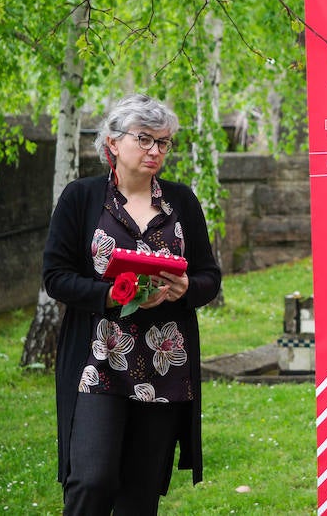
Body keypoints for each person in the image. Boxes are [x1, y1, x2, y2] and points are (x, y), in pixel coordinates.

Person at [43, 93, 221, 515]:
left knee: (140, 494)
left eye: (163, 142)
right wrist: (109, 294)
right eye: (144, 139)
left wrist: (186, 289)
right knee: (92, 479)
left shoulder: (181, 201)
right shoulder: (81, 198)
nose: (155, 151)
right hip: (99, 360)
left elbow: (209, 276)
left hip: (164, 363)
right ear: (112, 143)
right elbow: (55, 276)